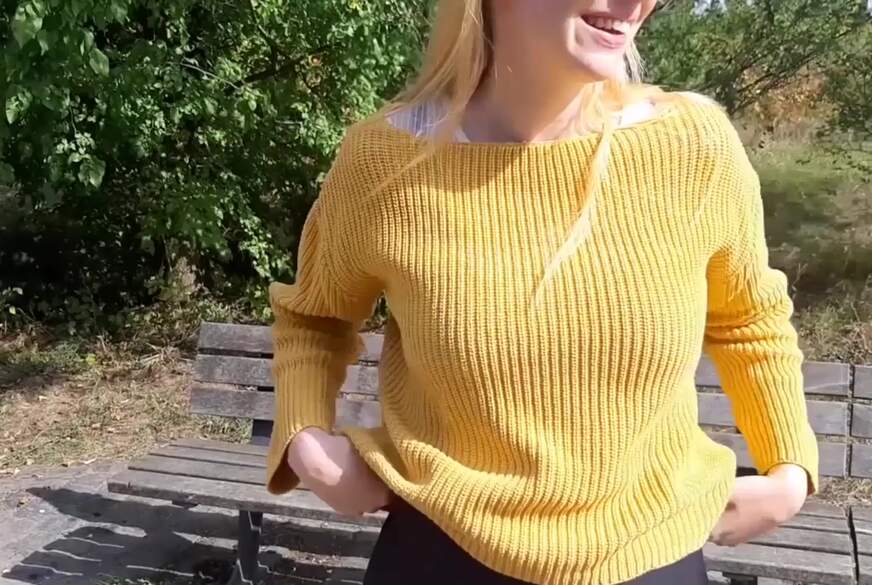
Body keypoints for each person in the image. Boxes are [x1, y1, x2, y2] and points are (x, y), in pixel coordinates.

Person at [265, 1, 819, 584]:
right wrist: (308, 441)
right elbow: (315, 319)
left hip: (648, 556)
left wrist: (788, 468)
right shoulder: (384, 160)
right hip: (440, 550)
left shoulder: (692, 147)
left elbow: (748, 318)